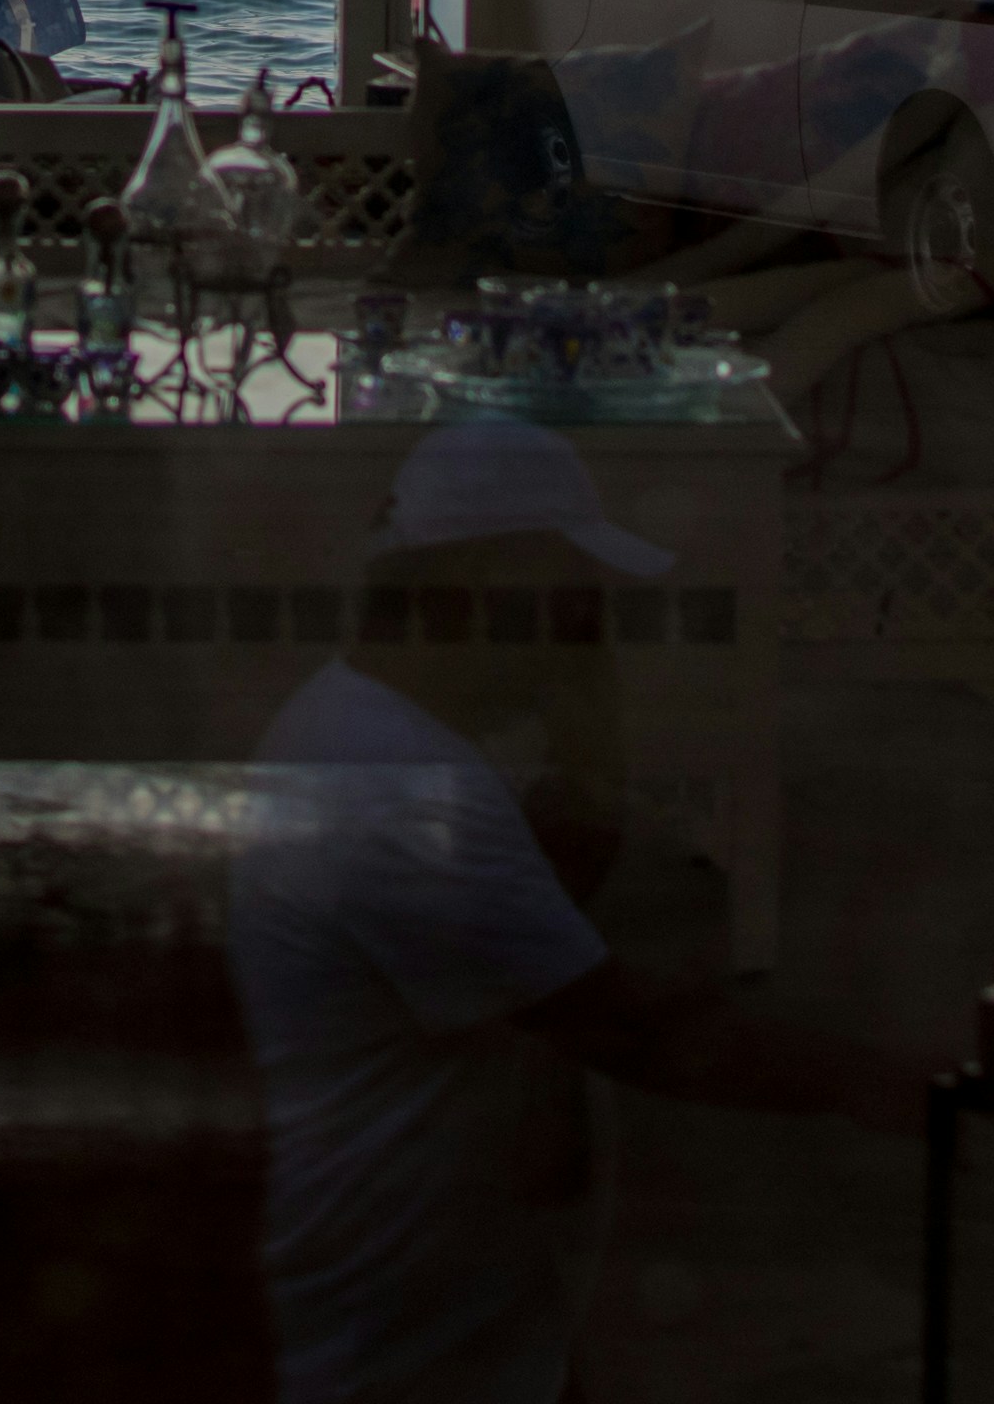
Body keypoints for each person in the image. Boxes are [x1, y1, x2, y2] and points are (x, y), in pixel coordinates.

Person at [232, 414, 915, 1404]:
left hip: (446, 1302)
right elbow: (630, 1032)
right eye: (575, 596)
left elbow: (545, 903)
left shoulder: (364, 727)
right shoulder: (399, 788)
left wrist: (585, 721)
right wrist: (863, 1078)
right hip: (404, 1343)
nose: (589, 623)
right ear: (491, 579)